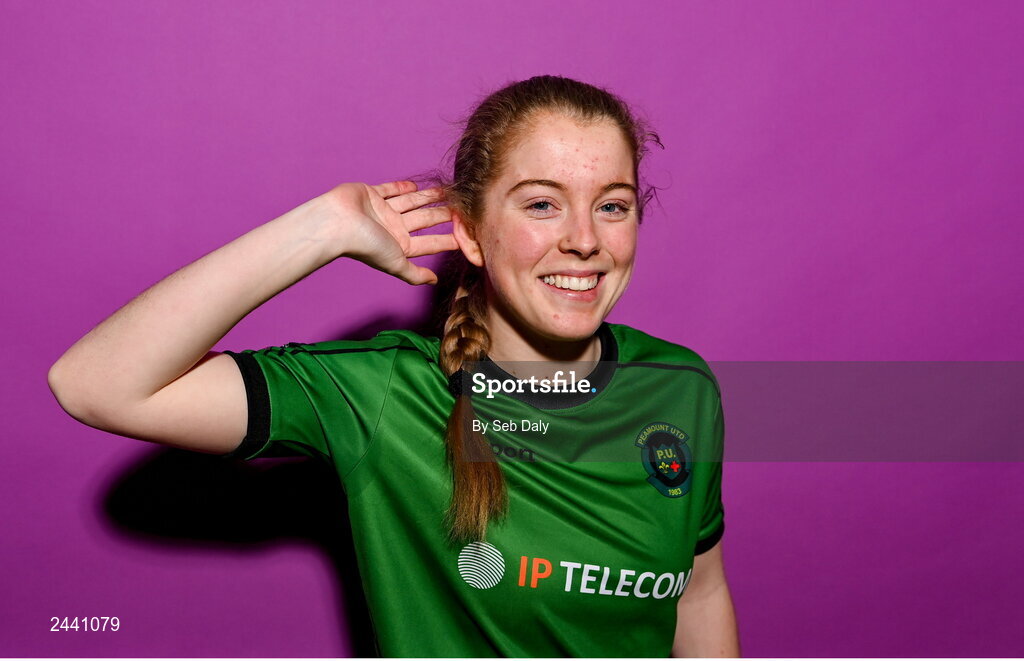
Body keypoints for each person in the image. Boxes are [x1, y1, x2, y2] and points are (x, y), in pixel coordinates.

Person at [47, 75, 739, 657]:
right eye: (541, 204)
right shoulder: (383, 393)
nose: (585, 240)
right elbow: (94, 384)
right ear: (469, 229)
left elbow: (699, 591)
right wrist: (323, 226)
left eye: (612, 206)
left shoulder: (682, 387)